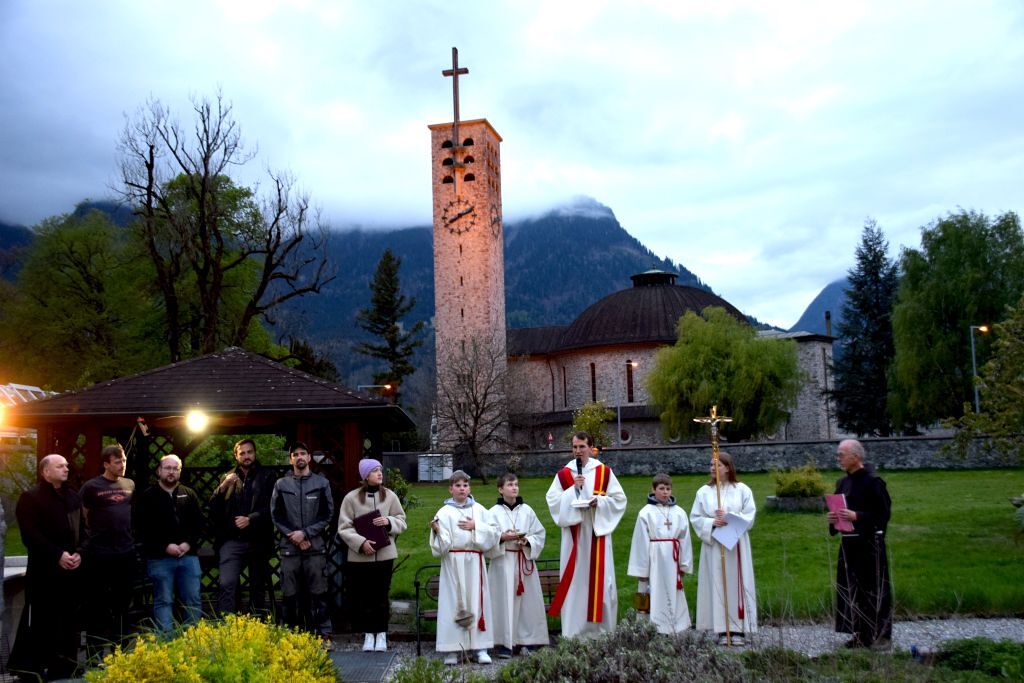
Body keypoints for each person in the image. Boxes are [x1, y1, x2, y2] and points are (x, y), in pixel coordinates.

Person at [545, 431, 627, 639]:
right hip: (574, 537)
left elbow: (619, 500)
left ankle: (603, 633)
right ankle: (574, 633)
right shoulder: (564, 475)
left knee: (602, 582)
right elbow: (553, 502)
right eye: (575, 447)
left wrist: (599, 502)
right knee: (576, 584)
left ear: (591, 448)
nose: (578, 451)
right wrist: (572, 490)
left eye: (582, 446)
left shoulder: (604, 473)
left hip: (597, 532)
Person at [8, 454, 83, 681]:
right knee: (42, 620)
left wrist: (80, 554)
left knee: (68, 619)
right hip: (44, 572)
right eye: (60, 466)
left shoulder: (73, 497)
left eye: (66, 465)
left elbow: (83, 530)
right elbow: (30, 535)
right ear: (46, 472)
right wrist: (57, 555)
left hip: (71, 571)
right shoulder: (30, 498)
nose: (66, 469)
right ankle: (33, 669)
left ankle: (66, 665)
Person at [827, 439, 893, 649]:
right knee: (851, 589)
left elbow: (883, 514)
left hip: (869, 544)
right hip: (849, 544)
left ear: (855, 456)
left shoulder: (874, 482)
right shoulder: (842, 483)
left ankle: (881, 635)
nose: (838, 458)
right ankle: (861, 634)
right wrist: (833, 519)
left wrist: (857, 516)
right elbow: (839, 511)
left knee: (874, 588)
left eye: (841, 455)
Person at [429, 470, 500, 665]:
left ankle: (480, 648)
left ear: (470, 488)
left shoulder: (479, 510)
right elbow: (441, 546)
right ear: (450, 489)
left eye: (465, 485)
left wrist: (477, 526)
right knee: (453, 603)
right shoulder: (444, 512)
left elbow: (494, 532)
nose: (462, 489)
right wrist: (437, 531)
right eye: (458, 486)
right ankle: (452, 649)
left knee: (477, 600)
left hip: (474, 560)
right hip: (453, 562)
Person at [337, 458, 407, 652]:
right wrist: (361, 543)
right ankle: (368, 633)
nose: (379, 473)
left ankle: (381, 633)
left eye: (380, 470)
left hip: (384, 556)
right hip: (360, 558)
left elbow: (402, 521)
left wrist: (389, 521)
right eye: (375, 471)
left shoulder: (390, 496)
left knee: (381, 595)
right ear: (365, 475)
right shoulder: (351, 498)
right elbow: (344, 527)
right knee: (365, 596)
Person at [689, 451, 757, 646]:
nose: (713, 468)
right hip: (714, 544)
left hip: (735, 545)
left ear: (727, 468)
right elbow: (695, 517)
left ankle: (738, 629)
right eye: (711, 464)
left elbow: (750, 515)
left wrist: (729, 517)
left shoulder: (742, 490)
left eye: (717, 465)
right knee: (717, 581)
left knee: (736, 584)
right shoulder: (704, 492)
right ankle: (720, 628)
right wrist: (712, 522)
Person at [271, 442, 334, 640]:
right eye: (295, 454)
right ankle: (289, 632)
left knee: (319, 591)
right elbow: (276, 515)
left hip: (315, 548)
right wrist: (295, 537)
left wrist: (305, 534)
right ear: (291, 459)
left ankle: (323, 633)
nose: (299, 457)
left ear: (309, 457)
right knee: (289, 593)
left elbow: (327, 514)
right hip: (289, 549)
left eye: (303, 454)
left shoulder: (321, 483)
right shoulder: (281, 484)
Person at [135, 454, 204, 634]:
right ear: (159, 470)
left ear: (180, 472)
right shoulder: (147, 496)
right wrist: (165, 546)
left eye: (175, 468)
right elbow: (142, 528)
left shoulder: (189, 494)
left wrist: (188, 544)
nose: (171, 472)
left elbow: (200, 524)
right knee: (164, 601)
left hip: (188, 556)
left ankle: (194, 640)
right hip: (160, 558)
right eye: (168, 468)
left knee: (193, 599)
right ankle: (166, 642)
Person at [209, 438, 275, 616]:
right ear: (236, 456)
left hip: (258, 539)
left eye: (249, 452)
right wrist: (223, 486)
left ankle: (258, 624)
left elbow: (273, 508)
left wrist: (250, 519)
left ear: (255, 453)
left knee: (257, 585)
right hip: (232, 539)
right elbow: (213, 508)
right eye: (242, 453)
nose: (246, 456)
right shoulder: (228, 477)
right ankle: (228, 625)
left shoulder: (267, 476)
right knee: (227, 583)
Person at [80, 443, 137, 651]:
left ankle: (120, 651)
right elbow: (83, 516)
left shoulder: (129, 484)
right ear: (106, 464)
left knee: (123, 603)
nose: (122, 465)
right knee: (98, 604)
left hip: (125, 552)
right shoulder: (91, 487)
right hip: (100, 553)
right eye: (117, 462)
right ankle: (95, 653)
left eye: (124, 460)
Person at [486, 472, 549, 657]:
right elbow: (486, 538)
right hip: (503, 562)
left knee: (527, 604)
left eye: (516, 484)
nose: (514, 488)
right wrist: (502, 537)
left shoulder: (527, 510)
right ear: (500, 489)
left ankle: (527, 641)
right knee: (503, 602)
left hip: (523, 561)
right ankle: (505, 643)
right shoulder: (493, 513)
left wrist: (527, 541)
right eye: (510, 485)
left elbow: (539, 533)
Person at [627, 473, 693, 635]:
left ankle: (673, 626)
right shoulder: (646, 512)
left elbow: (684, 539)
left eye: (668, 489)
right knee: (653, 591)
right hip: (654, 557)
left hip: (673, 558)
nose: (665, 492)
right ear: (653, 489)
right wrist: (642, 570)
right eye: (661, 489)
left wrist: (684, 564)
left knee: (673, 592)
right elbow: (640, 542)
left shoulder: (679, 512)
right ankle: (651, 628)